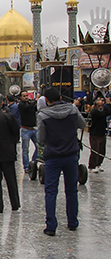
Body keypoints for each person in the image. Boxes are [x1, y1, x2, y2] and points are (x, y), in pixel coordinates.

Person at [37, 87, 85, 236]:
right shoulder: (72, 109)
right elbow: (82, 124)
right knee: (72, 190)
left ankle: (51, 225)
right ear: (60, 97)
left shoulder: (43, 114)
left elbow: (40, 139)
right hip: (71, 154)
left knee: (51, 191)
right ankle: (72, 222)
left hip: (53, 156)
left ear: (46, 100)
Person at [88, 95, 111, 173]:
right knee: (95, 151)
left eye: (101, 105)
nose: (101, 107)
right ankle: (91, 166)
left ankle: (98, 164)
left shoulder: (101, 111)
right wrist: (108, 104)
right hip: (95, 134)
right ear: (95, 106)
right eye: (99, 106)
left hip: (102, 133)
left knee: (102, 151)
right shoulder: (94, 112)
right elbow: (106, 113)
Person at [18, 91, 39, 178]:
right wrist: (36, 100)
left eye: (27, 95)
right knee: (25, 150)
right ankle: (26, 167)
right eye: (24, 96)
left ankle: (33, 163)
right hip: (25, 129)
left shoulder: (30, 103)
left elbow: (34, 108)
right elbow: (29, 107)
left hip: (33, 129)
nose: (26, 97)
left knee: (39, 146)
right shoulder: (21, 105)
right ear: (21, 98)